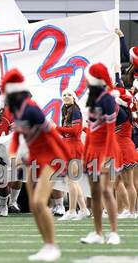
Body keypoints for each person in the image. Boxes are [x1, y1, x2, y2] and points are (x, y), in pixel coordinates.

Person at [2, 68, 70, 262]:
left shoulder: (32, 109)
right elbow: (16, 135)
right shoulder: (15, 110)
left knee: (40, 202)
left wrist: (67, 159)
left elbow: (54, 136)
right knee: (33, 205)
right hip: (33, 158)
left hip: (50, 158)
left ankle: (53, 246)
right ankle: (46, 245)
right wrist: (13, 153)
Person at [81, 63, 121, 245]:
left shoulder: (107, 99)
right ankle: (98, 233)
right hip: (92, 151)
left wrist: (106, 157)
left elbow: (111, 132)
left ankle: (114, 233)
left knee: (106, 190)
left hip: (108, 150)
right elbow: (90, 131)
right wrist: (85, 155)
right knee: (95, 193)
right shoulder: (93, 98)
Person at [56, 89, 89, 221]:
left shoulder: (75, 110)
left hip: (74, 147)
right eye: (64, 95)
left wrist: (56, 128)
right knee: (71, 181)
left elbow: (75, 131)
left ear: (74, 98)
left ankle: (71, 211)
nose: (66, 96)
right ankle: (84, 209)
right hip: (67, 146)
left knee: (71, 180)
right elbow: (65, 133)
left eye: (69, 94)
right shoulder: (65, 110)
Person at [113, 87, 137, 219]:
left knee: (128, 183)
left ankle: (132, 211)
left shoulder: (121, 113)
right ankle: (121, 209)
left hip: (125, 150)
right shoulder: (123, 111)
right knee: (117, 182)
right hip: (118, 149)